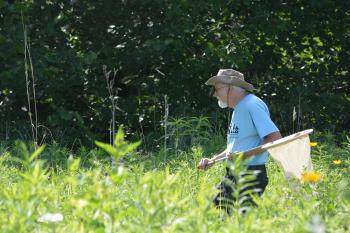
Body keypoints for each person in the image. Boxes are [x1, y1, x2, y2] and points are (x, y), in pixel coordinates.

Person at [197, 69, 282, 214]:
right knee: (217, 213)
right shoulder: (239, 108)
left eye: (217, 89)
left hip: (251, 175)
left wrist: (243, 156)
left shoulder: (252, 104)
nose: (215, 94)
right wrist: (212, 160)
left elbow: (275, 138)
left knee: (244, 223)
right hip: (233, 174)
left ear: (230, 88)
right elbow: (235, 148)